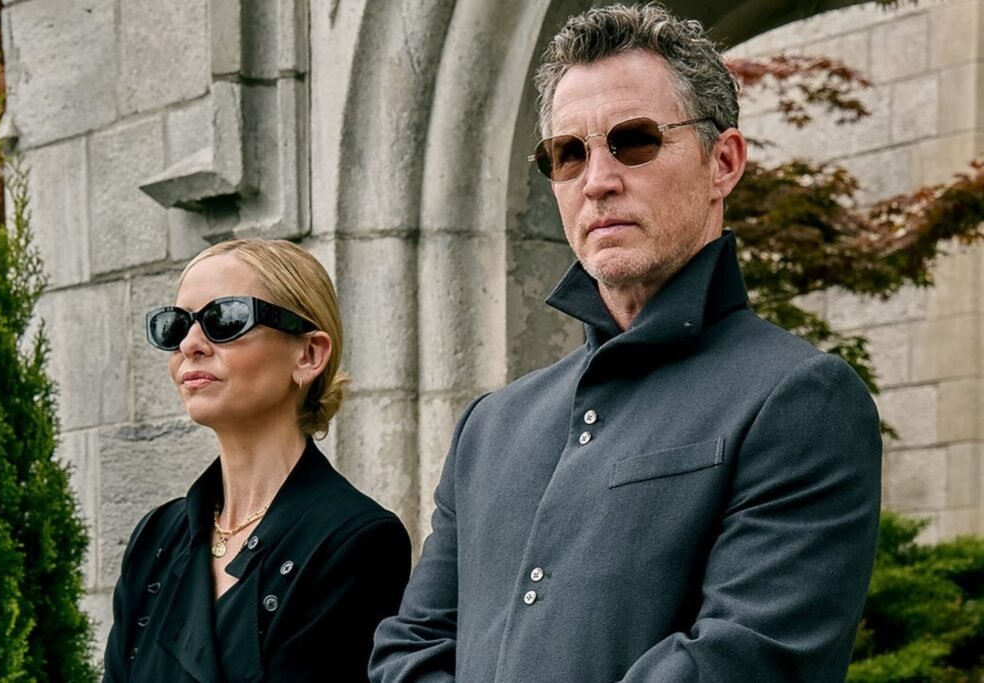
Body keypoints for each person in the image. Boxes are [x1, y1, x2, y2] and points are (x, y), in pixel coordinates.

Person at [370, 4, 881, 682]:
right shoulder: (490, 427)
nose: (597, 180)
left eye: (634, 141)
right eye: (568, 154)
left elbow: (742, 659)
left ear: (723, 162)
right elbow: (409, 649)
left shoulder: (801, 399)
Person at [104, 239, 411, 681]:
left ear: (309, 354)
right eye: (176, 326)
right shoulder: (156, 537)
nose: (190, 344)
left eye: (224, 319)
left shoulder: (357, 541)